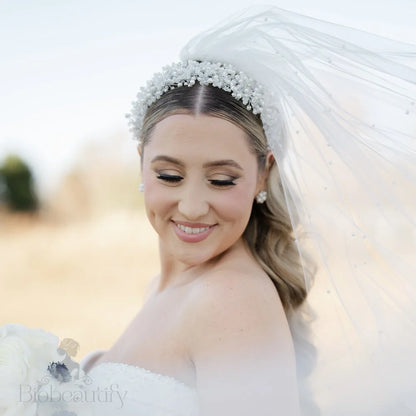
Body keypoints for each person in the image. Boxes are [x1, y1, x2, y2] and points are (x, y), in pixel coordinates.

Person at [81, 6, 416, 416]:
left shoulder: (231, 299)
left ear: (263, 175)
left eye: (222, 180)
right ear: (141, 164)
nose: (191, 206)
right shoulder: (165, 287)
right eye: (169, 175)